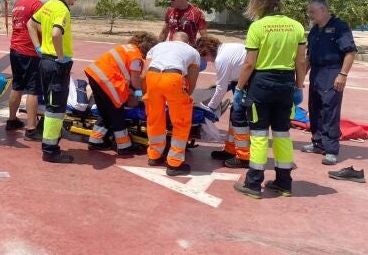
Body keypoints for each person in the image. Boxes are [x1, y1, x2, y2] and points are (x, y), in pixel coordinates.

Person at [233, 0, 306, 199]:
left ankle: (254, 184)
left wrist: (239, 89)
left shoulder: (258, 27)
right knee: (283, 134)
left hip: (261, 84)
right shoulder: (296, 26)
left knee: (259, 135)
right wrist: (299, 88)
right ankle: (284, 183)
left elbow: (249, 63)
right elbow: (300, 61)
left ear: (258, 3)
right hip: (286, 84)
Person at [28, 0, 83, 163]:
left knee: (51, 104)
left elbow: (30, 24)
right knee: (56, 108)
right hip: (56, 64)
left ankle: (50, 143)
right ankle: (50, 149)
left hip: (44, 61)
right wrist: (60, 57)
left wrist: (38, 47)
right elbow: (56, 33)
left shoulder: (48, 5)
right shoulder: (62, 9)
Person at [85, 32, 158, 156]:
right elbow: (136, 82)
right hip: (107, 81)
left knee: (105, 112)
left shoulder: (125, 48)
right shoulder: (136, 58)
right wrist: (139, 94)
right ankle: (124, 146)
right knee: (116, 112)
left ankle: (95, 140)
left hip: (94, 76)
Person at [303, 0, 357, 166]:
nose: (310, 15)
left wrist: (343, 74)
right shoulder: (314, 31)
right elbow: (309, 56)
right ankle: (317, 143)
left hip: (332, 71)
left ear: (324, 10)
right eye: (309, 11)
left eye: (312, 11)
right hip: (316, 73)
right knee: (315, 108)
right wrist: (301, 76)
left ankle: (331, 149)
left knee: (330, 110)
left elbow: (350, 52)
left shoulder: (339, 27)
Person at [143, 32, 202, 176]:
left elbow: (143, 74)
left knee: (154, 117)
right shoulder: (193, 52)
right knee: (181, 121)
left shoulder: (157, 46)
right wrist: (185, 98)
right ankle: (174, 163)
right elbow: (192, 80)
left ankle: (154, 155)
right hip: (174, 78)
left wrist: (147, 94)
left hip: (152, 77)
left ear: (171, 39)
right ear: (188, 42)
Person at [196, 36, 251, 168]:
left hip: (247, 83)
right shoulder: (227, 47)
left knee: (239, 117)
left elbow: (221, 88)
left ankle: (244, 156)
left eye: (204, 58)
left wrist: (210, 108)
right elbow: (225, 82)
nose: (206, 61)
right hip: (241, 81)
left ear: (207, 52)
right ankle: (231, 150)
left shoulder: (221, 59)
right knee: (234, 115)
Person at [7, 0, 47, 140]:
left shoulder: (17, 4)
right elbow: (40, 27)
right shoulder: (36, 4)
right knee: (33, 90)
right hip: (30, 51)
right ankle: (31, 129)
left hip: (15, 50)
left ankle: (12, 120)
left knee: (17, 86)